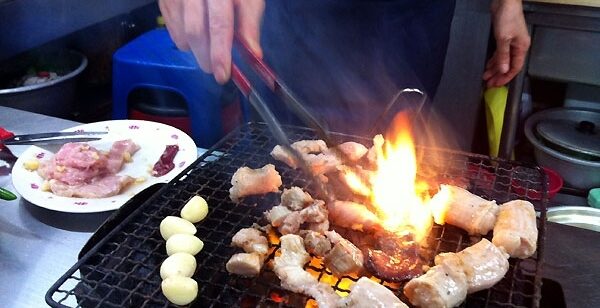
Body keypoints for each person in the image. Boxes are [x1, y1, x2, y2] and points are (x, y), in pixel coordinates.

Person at [158, 0, 530, 135]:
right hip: (295, 16)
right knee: (275, 153)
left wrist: (508, 1)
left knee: (400, 138)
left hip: (410, 14)